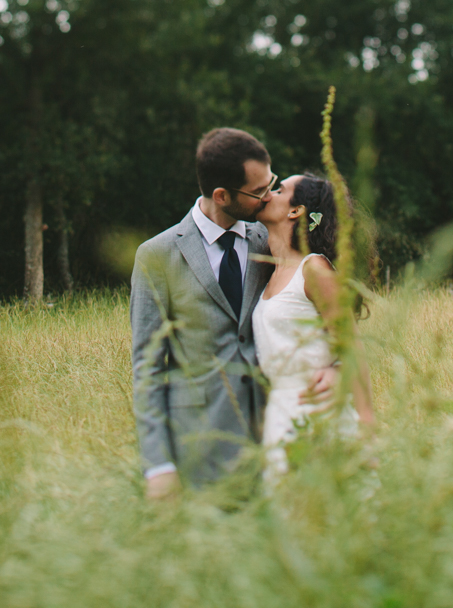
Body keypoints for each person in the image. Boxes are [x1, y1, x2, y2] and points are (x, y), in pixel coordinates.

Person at [131, 128, 340, 498]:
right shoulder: (157, 255)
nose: (267, 197)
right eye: (259, 191)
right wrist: (158, 464)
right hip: (199, 444)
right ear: (221, 195)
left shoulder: (271, 241)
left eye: (271, 183)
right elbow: (147, 369)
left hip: (278, 436)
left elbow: (321, 309)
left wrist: (336, 367)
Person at [252, 173, 376, 480]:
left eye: (279, 190)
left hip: (321, 413)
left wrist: (368, 426)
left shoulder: (314, 270)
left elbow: (351, 346)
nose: (268, 193)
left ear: (295, 211)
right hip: (281, 415)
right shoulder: (270, 271)